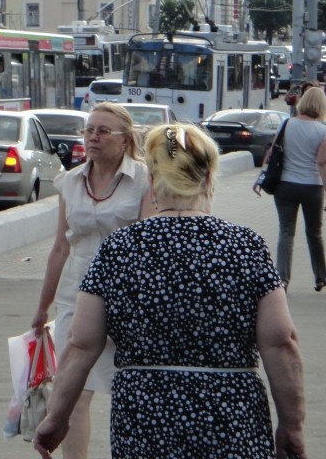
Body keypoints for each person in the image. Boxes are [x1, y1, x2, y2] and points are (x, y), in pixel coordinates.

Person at [33, 123, 306, 459]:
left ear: (152, 182)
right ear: (207, 180)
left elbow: (81, 344)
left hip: (144, 418)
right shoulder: (245, 246)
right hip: (232, 417)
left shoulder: (119, 249)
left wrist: (57, 417)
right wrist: (291, 425)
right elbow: (281, 341)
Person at [30, 102, 149, 459]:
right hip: (76, 297)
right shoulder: (69, 181)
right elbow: (59, 248)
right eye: (89, 130)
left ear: (126, 140)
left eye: (103, 131)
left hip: (129, 301)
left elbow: (148, 244)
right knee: (73, 393)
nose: (93, 138)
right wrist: (42, 306)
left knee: (132, 390)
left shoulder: (146, 180)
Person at [254, 85, 326, 292]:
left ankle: (282, 279)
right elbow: (322, 161)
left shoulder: (287, 124)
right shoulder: (323, 130)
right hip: (312, 187)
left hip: (285, 186)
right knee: (315, 233)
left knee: (286, 232)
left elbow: (272, 154)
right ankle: (320, 277)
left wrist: (260, 178)